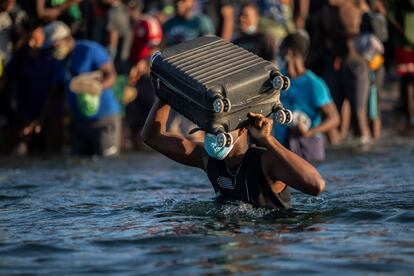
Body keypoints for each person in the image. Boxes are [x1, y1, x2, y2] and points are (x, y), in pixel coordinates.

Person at [141, 98, 325, 208]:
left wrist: (268, 140)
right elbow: (152, 137)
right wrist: (163, 96)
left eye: (221, 129)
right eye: (211, 128)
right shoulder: (207, 158)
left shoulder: (265, 162)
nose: (213, 134)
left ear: (242, 130)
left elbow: (316, 186)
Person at [26, 21, 121, 157]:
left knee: (106, 166)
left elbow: (111, 75)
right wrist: (41, 119)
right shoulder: (59, 62)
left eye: (54, 46)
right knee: (78, 166)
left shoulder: (89, 50)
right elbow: (55, 93)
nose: (53, 51)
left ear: (66, 39)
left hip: (103, 121)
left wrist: (98, 86)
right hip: (78, 124)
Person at [274, 32, 340, 162]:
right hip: (283, 146)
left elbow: (334, 118)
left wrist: (309, 132)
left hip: (309, 147)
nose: (279, 54)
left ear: (289, 52)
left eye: (281, 50)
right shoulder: (279, 80)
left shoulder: (313, 84)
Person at [6, 21, 64, 155]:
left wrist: (42, 118)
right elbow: (10, 81)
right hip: (24, 114)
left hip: (49, 114)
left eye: (36, 39)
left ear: (45, 39)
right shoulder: (20, 56)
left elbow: (57, 89)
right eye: (29, 39)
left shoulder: (52, 58)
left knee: (51, 154)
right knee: (20, 153)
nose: (32, 43)